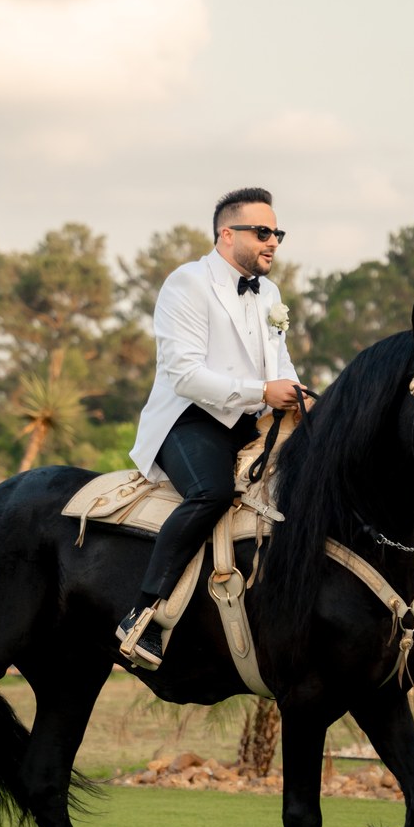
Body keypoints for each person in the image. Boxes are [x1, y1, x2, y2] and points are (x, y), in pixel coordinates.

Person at [117, 187, 308, 668]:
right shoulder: (187, 283)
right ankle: (142, 615)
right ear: (228, 234)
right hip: (188, 420)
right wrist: (261, 392)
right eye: (263, 232)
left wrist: (299, 394)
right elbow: (183, 374)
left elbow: (279, 362)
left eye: (277, 233)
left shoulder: (270, 293)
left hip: (251, 421)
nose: (273, 243)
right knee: (213, 493)